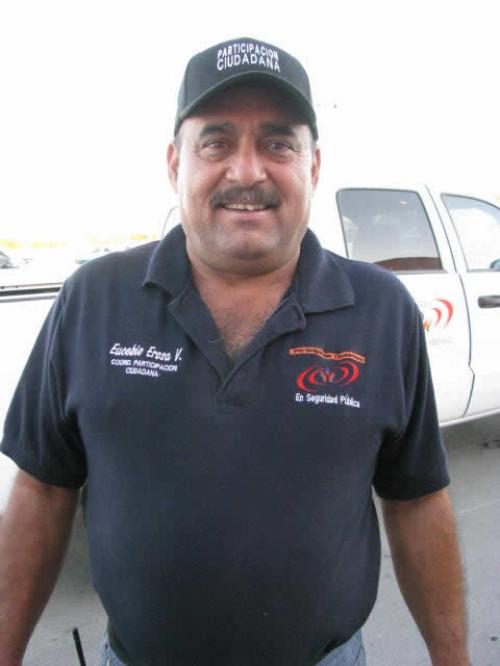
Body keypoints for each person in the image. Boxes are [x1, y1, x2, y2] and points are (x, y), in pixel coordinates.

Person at [0, 37, 470, 666]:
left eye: (278, 143)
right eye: (217, 142)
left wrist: (452, 657)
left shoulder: (382, 311)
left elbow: (415, 499)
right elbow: (43, 490)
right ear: (175, 163)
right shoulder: (93, 298)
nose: (247, 172)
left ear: (313, 166)